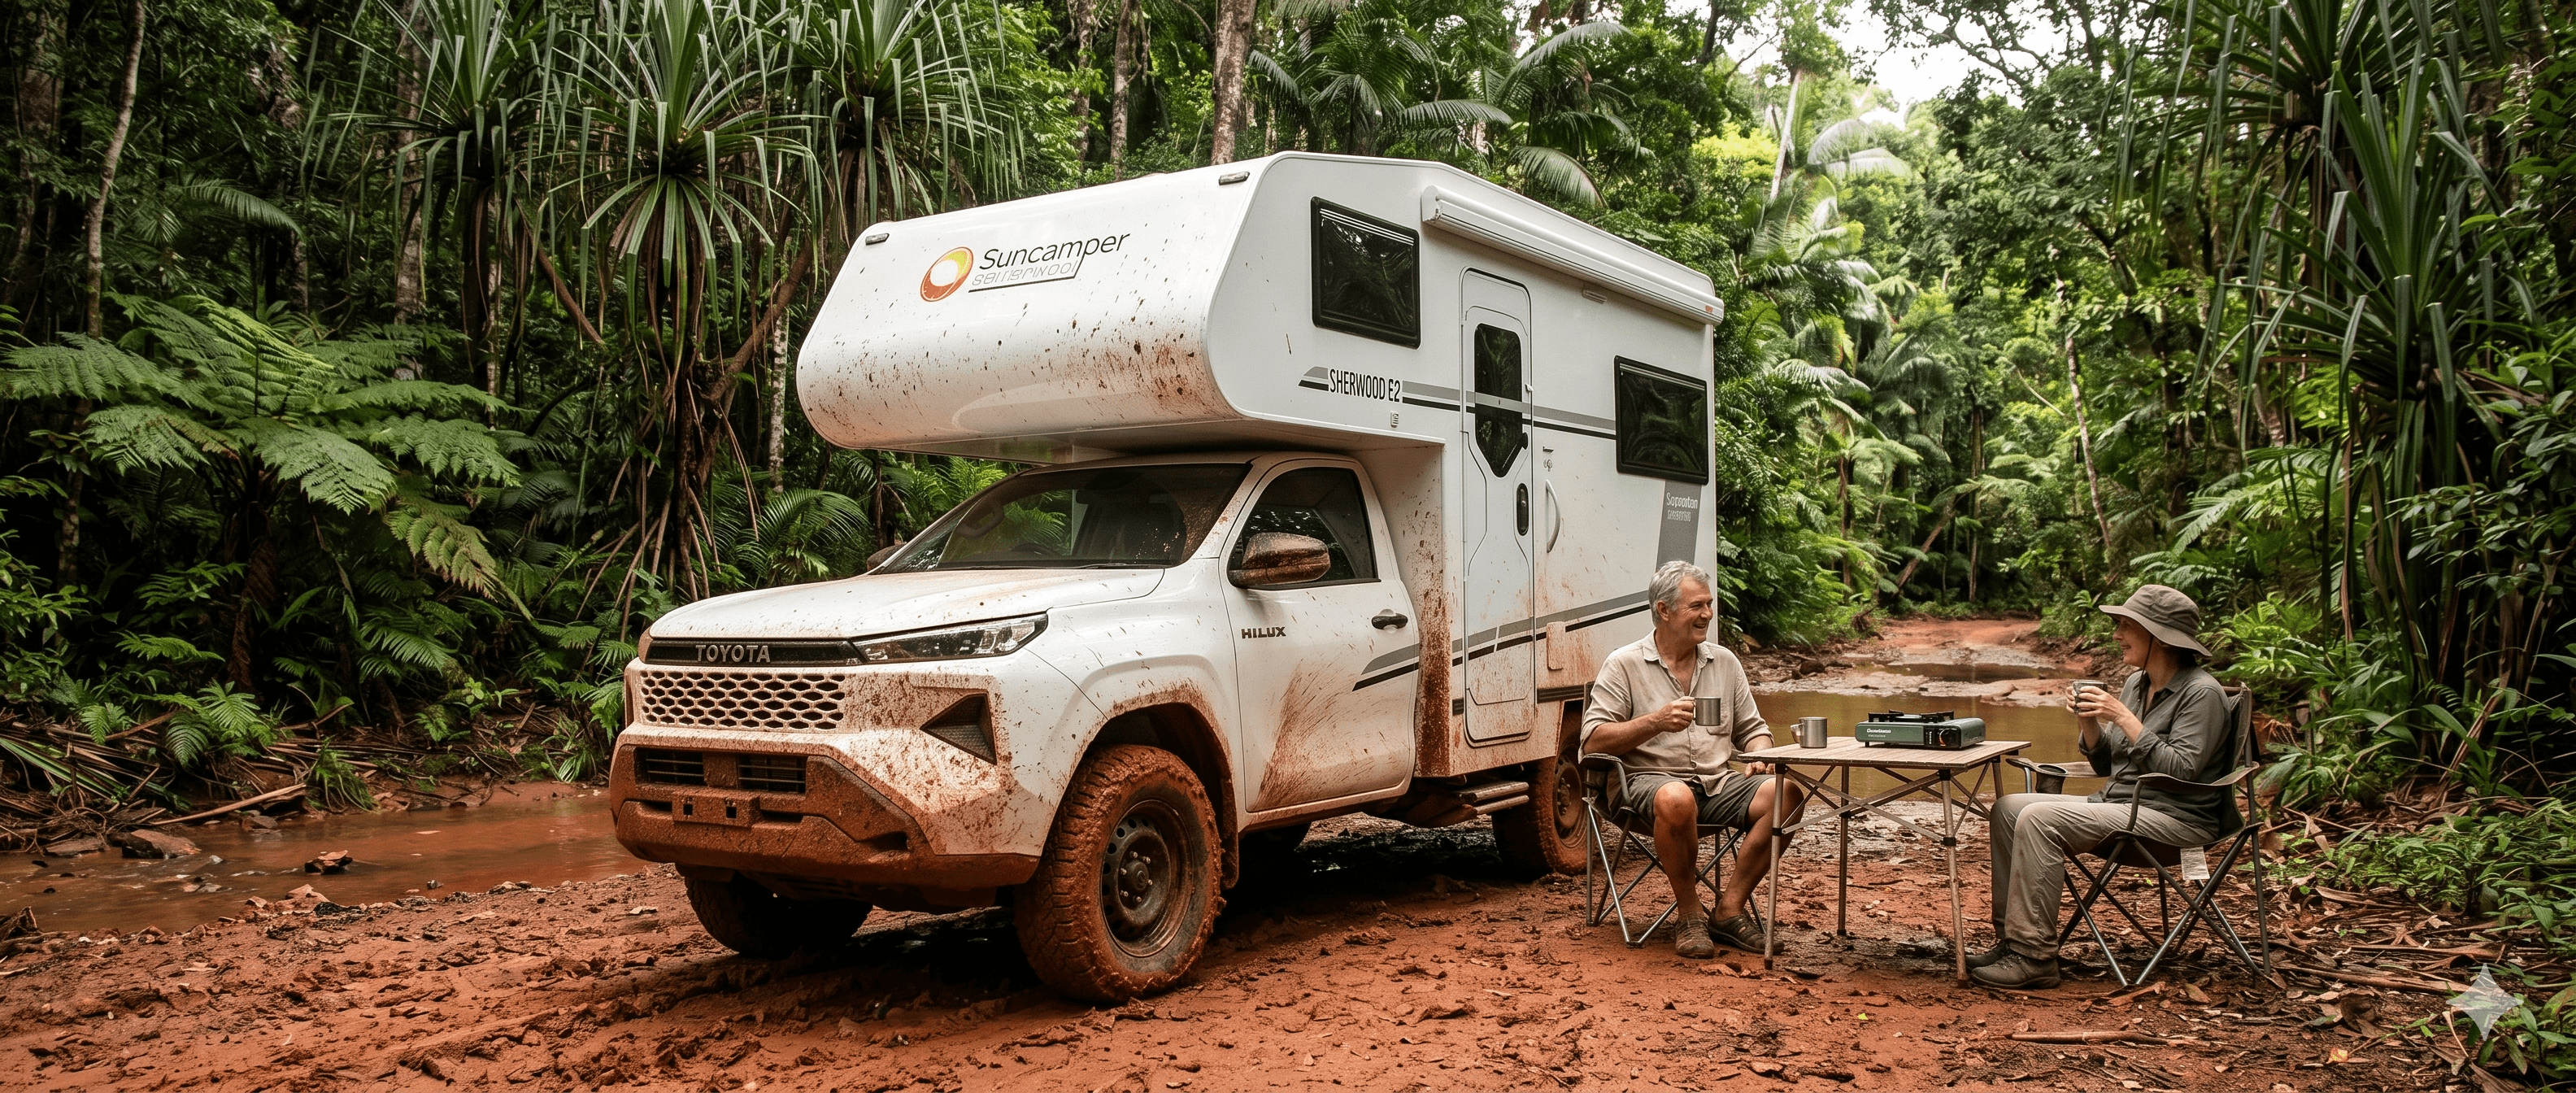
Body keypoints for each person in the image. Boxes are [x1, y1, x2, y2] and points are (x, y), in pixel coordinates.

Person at [1969, 584, 2241, 989]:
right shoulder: (2136, 684)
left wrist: (2124, 718)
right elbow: (2105, 763)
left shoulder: (2202, 693)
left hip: (2176, 821)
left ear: (2158, 636)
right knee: (2008, 808)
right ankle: (2012, 941)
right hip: (2120, 805)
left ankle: (2034, 958)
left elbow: (2182, 771)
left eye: (2126, 626)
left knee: (2041, 818)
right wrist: (2090, 721)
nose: (2116, 635)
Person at [1581, 560, 1804, 958]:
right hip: (1645, 785)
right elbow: (1593, 740)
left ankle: (1728, 910)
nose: (1707, 614)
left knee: (1786, 795)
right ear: (1663, 611)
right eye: (1696, 606)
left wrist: (1760, 756)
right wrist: (1655, 721)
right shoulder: (1624, 664)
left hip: (1716, 783)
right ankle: (1689, 914)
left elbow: (1754, 729)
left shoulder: (1725, 662)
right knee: (1676, 796)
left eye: (1709, 604)